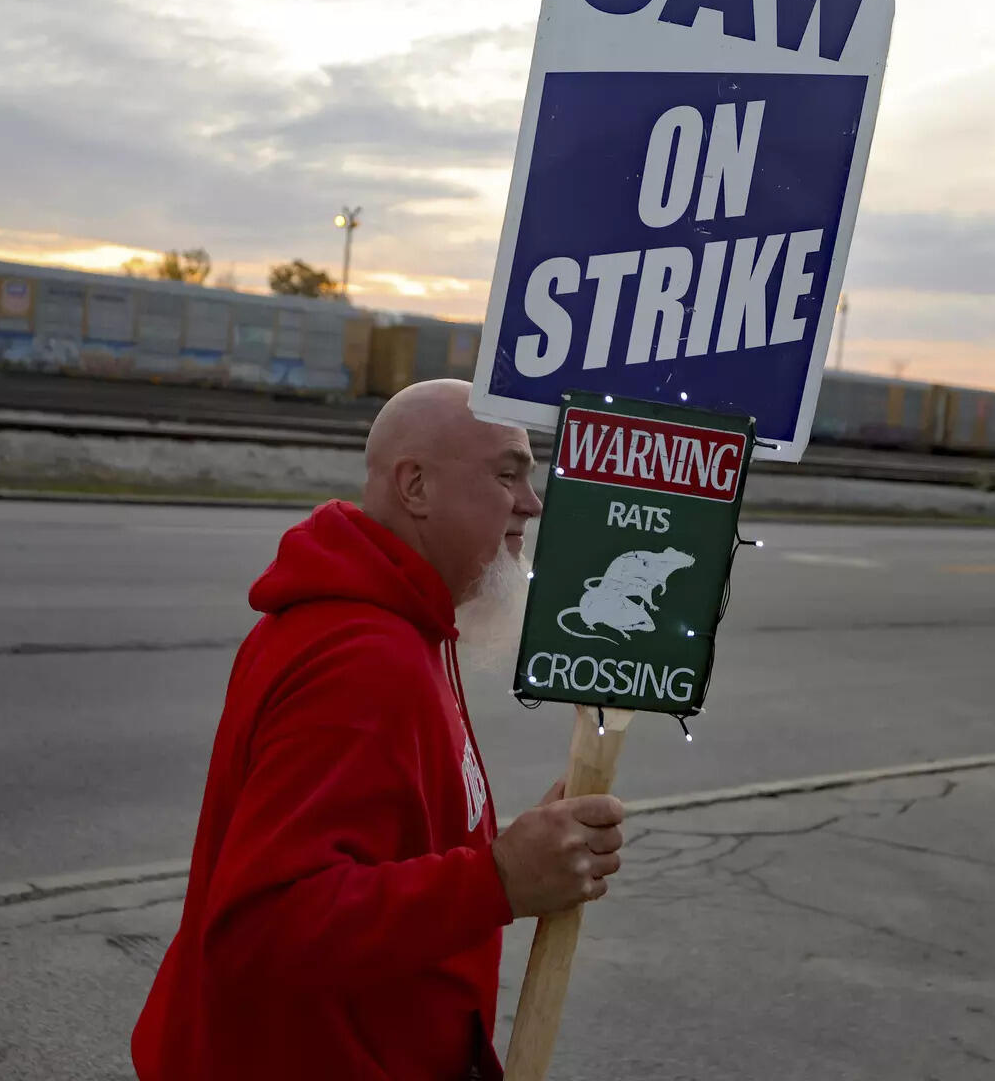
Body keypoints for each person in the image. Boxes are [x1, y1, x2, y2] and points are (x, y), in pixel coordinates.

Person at [132, 378, 626, 1079]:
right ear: (415, 486)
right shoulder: (363, 659)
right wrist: (498, 878)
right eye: (506, 473)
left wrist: (520, 851)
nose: (532, 501)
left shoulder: (402, 622)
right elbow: (265, 926)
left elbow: (388, 839)